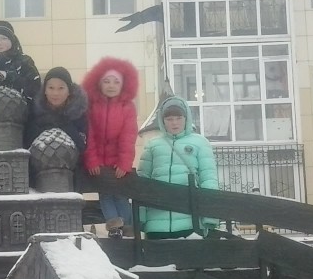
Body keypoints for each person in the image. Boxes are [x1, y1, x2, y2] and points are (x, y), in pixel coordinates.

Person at [137, 95, 219, 239]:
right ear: (162, 121)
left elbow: (208, 180)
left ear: (186, 118)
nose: (174, 123)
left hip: (190, 222)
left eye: (179, 118)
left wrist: (210, 216)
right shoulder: (152, 145)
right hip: (156, 224)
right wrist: (140, 217)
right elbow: (142, 183)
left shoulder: (200, 143)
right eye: (169, 119)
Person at [82, 56, 139, 238]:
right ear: (99, 83)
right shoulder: (91, 106)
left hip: (117, 164)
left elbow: (128, 136)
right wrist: (92, 161)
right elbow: (89, 135)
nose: (111, 85)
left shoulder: (127, 107)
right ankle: (114, 226)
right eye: (106, 81)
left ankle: (128, 227)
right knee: (105, 194)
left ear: (123, 84)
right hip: (100, 164)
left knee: (120, 194)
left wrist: (124, 163)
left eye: (116, 82)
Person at [24, 66, 88, 155]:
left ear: (69, 91)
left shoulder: (79, 116)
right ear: (45, 90)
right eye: (51, 88)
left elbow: (83, 148)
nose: (55, 93)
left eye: (61, 88)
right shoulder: (33, 115)